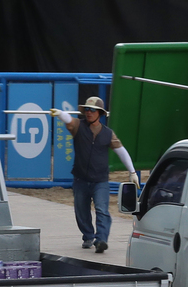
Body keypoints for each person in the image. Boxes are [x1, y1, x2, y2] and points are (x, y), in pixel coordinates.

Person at [53, 97, 139, 253]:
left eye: (92, 110)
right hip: (80, 178)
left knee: (102, 209)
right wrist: (60, 113)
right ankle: (88, 235)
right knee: (81, 210)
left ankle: (101, 240)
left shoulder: (108, 134)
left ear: (100, 113)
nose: (89, 112)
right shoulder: (78, 126)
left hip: (100, 180)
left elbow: (121, 151)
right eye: (87, 109)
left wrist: (132, 172)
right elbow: (69, 120)